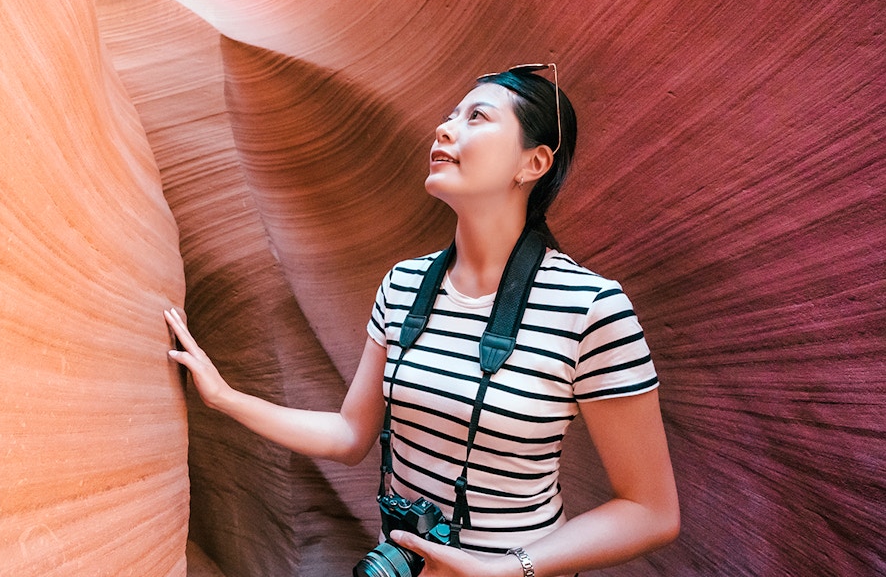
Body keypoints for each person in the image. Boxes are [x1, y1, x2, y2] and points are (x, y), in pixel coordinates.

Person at [164, 65, 679, 577]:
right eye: (449, 115)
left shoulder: (591, 306)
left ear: (535, 162)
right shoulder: (403, 285)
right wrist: (225, 397)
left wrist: (504, 570)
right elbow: (349, 434)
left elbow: (650, 511)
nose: (445, 128)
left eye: (477, 116)